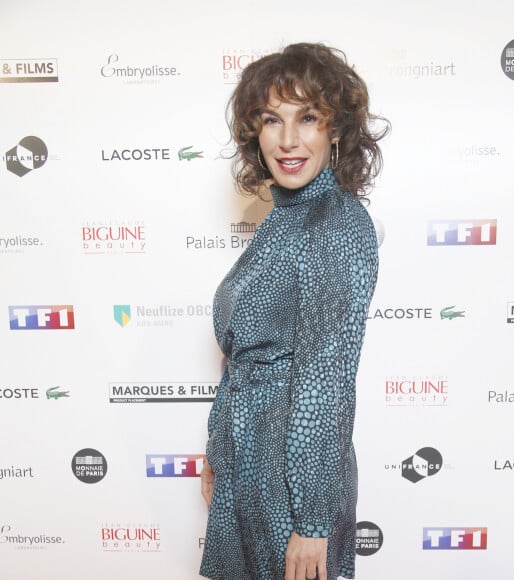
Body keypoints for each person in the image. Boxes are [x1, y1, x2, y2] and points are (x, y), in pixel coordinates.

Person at [200, 42, 388, 580]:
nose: (287, 140)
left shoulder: (335, 225)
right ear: (253, 134)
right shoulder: (283, 221)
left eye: (307, 117)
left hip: (291, 477)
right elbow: (241, 360)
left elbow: (324, 386)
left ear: (336, 129)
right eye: (270, 119)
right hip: (250, 460)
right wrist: (220, 449)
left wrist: (312, 521)